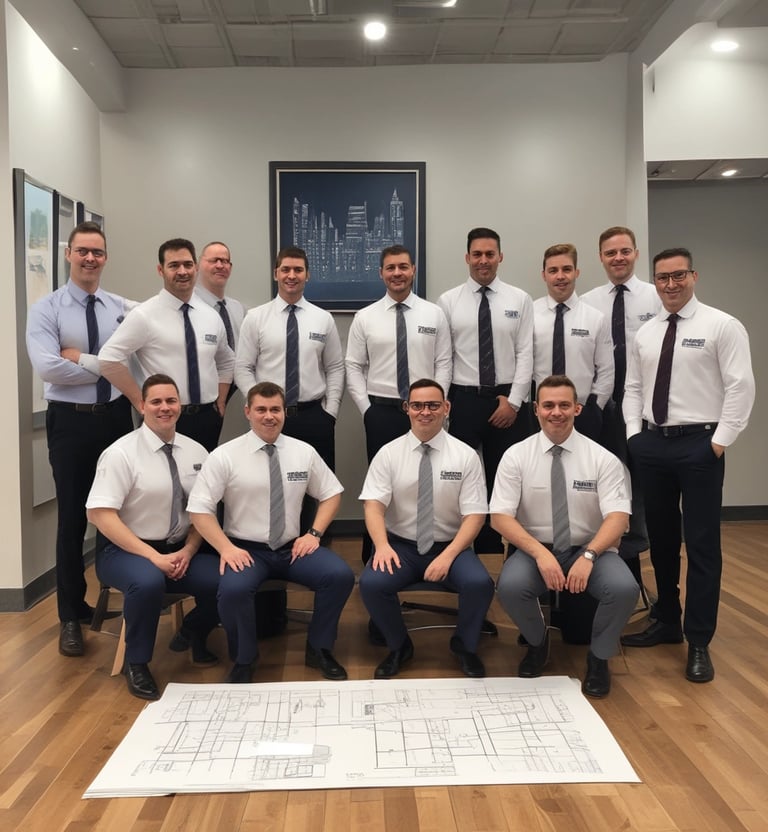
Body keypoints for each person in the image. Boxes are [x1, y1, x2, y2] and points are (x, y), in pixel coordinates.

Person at [620, 247, 755, 683]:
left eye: (678, 275)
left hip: (700, 445)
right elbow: (633, 388)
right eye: (663, 277)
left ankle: (698, 640)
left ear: (693, 276)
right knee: (660, 540)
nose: (671, 284)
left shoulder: (722, 325)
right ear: (655, 282)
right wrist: (634, 436)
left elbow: (741, 387)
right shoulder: (647, 332)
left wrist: (718, 443)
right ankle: (667, 620)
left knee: (701, 545)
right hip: (653, 444)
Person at [187, 382, 355, 684]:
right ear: (248, 412)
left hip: (292, 549)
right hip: (245, 551)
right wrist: (226, 548)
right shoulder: (225, 456)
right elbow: (199, 509)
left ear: (284, 412)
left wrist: (314, 533)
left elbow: (332, 493)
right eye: (261, 409)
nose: (269, 416)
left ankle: (319, 648)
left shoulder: (303, 452)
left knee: (339, 576)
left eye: (275, 409)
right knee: (233, 591)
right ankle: (244, 659)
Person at [490, 375, 638, 698]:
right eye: (548, 405)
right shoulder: (516, 456)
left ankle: (599, 658)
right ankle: (537, 642)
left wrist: (590, 555)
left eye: (564, 405)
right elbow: (499, 517)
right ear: (536, 409)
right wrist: (539, 553)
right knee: (510, 588)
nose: (556, 412)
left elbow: (618, 518)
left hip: (590, 548)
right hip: (534, 549)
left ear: (577, 409)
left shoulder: (602, 458)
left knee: (624, 589)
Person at [26, 221, 134, 658]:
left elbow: (135, 358)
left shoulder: (121, 308)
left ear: (106, 257)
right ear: (68, 254)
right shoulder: (46, 309)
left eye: (98, 252)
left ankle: (113, 600)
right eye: (83, 251)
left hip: (116, 420)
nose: (90, 258)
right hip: (70, 423)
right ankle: (71, 615)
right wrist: (109, 369)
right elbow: (49, 369)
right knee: (72, 518)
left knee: (118, 514)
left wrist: (84, 360)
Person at [85, 374, 220, 700]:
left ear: (180, 405)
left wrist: (188, 550)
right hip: (125, 551)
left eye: (171, 401)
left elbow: (203, 513)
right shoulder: (121, 453)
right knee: (147, 582)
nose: (164, 407)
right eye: (156, 401)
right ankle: (137, 663)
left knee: (233, 578)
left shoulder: (197, 452)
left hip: (180, 550)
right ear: (142, 406)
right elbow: (100, 515)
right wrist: (152, 557)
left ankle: (194, 630)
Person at [358, 379, 494, 679]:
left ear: (446, 408)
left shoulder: (465, 455)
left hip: (451, 546)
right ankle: (399, 646)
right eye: (418, 405)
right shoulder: (389, 454)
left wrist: (449, 555)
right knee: (371, 584)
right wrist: (381, 546)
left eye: (433, 405)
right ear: (407, 408)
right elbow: (373, 506)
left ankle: (464, 646)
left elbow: (475, 515)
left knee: (480, 584)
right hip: (401, 546)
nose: (425, 412)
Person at [346, 244, 451, 562]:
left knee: (426, 477)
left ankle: (427, 548)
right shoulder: (365, 317)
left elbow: (444, 362)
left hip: (424, 411)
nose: (397, 273)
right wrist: (366, 409)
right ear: (381, 273)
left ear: (413, 270)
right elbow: (353, 365)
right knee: (381, 484)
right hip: (382, 411)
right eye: (390, 268)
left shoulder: (433, 314)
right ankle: (376, 552)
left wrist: (436, 405)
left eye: (403, 267)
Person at [437, 227, 534, 553]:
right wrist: (444, 404)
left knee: (508, 478)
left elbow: (526, 354)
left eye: (489, 254)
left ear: (500, 257)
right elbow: (444, 358)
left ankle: (511, 552)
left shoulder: (519, 299)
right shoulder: (448, 301)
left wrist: (515, 402)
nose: (483, 260)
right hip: (464, 398)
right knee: (461, 476)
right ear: (467, 257)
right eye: (477, 254)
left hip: (507, 398)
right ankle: (463, 549)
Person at [99, 238, 234, 451]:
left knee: (204, 472)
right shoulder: (144, 315)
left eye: (187, 264)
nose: (182, 271)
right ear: (160, 270)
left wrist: (221, 400)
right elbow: (108, 359)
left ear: (196, 268)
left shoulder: (210, 316)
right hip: (164, 418)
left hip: (207, 418)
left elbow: (226, 361)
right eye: (174, 265)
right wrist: (140, 401)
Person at [581, 226, 661, 566]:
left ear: (636, 254)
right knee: (605, 476)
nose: (618, 258)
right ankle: (602, 545)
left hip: (644, 404)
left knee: (641, 478)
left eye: (625, 251)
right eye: (611, 252)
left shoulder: (656, 297)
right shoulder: (587, 302)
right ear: (601, 257)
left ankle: (635, 549)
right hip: (603, 404)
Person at [235, 246, 343, 470]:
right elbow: (243, 367)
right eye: (285, 270)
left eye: (298, 270)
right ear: (276, 274)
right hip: (269, 417)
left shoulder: (323, 318)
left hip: (314, 417)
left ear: (307, 275)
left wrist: (330, 412)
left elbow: (335, 367)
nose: (291, 276)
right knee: (269, 478)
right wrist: (259, 406)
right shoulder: (255, 318)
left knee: (317, 483)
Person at [532, 244, 613, 441]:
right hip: (541, 413)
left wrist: (595, 407)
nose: (560, 276)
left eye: (566, 269)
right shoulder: (530, 315)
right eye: (553, 270)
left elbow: (606, 370)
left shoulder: (595, 318)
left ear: (576, 272)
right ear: (544, 275)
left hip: (583, 413)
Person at [194, 241, 246, 352]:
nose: (220, 266)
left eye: (224, 261)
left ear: (230, 268)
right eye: (213, 260)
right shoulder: (188, 307)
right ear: (197, 266)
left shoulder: (238, 309)